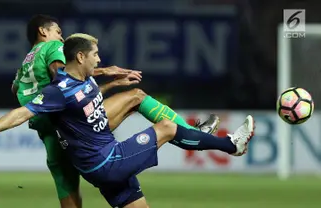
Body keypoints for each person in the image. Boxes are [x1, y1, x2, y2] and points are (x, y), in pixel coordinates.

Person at [0, 33, 255, 208]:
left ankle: (202, 135)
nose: (99, 58)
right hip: (106, 161)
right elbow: (24, 111)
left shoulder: (85, 81)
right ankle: (231, 145)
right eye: (95, 55)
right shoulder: (59, 91)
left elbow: (89, 102)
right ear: (80, 56)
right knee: (166, 128)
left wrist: (117, 83)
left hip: (102, 163)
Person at [12, 15, 220, 208]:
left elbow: (16, 89)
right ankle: (194, 133)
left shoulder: (24, 65)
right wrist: (104, 72)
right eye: (57, 31)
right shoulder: (52, 46)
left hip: (52, 136)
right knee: (136, 97)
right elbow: (63, 76)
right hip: (76, 125)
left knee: (67, 188)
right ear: (43, 31)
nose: (61, 36)